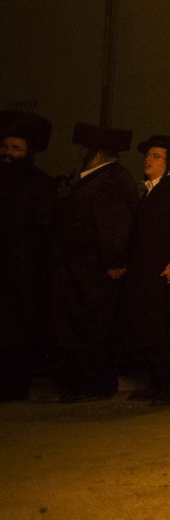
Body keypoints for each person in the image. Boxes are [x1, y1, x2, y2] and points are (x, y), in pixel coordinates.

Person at [50, 123, 139, 402]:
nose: (80, 154)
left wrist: (114, 261)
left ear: (96, 153)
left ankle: (94, 384)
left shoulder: (110, 180)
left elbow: (114, 225)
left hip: (94, 272)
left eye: (84, 150)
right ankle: (85, 383)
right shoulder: (96, 178)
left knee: (92, 327)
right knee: (81, 326)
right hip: (82, 270)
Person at [124, 134, 170, 404]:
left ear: (169, 165)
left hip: (163, 276)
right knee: (146, 331)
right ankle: (157, 384)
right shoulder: (147, 191)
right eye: (148, 155)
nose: (149, 160)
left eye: (156, 156)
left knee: (161, 333)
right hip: (144, 275)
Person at [0, 110, 55, 401]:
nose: (8, 153)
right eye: (5, 147)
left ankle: (14, 388)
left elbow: (46, 230)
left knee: (17, 333)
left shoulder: (40, 184)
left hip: (23, 271)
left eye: (15, 148)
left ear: (28, 152)